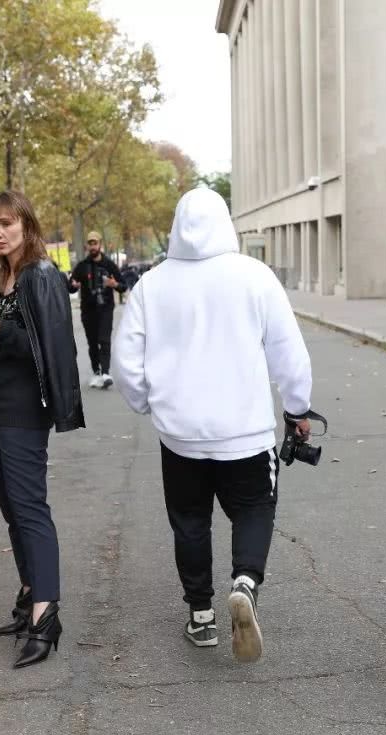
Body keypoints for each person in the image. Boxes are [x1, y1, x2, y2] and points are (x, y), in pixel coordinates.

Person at [113, 187, 312, 662]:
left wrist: (150, 405)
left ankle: (200, 616)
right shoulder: (255, 277)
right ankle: (245, 581)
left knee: (189, 522)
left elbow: (125, 364)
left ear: (176, 226)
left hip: (179, 434)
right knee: (254, 509)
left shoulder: (151, 285)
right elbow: (288, 351)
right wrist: (298, 407)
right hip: (244, 430)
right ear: (227, 222)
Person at [0, 191, 85, 669]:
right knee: (14, 511)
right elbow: (11, 343)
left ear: (26, 225)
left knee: (30, 509)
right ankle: (30, 591)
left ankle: (45, 614)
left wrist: (2, 330)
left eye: (6, 223)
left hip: (23, 412)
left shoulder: (41, 274)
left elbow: (49, 346)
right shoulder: (7, 276)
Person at [69, 231, 125, 389]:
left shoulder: (109, 265)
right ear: (87, 246)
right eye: (90, 244)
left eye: (95, 243)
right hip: (88, 311)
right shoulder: (82, 266)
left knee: (104, 340)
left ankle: (106, 373)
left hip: (106, 309)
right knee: (93, 343)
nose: (93, 247)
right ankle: (96, 372)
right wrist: (73, 286)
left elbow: (123, 285)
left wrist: (115, 285)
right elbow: (71, 286)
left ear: (100, 244)